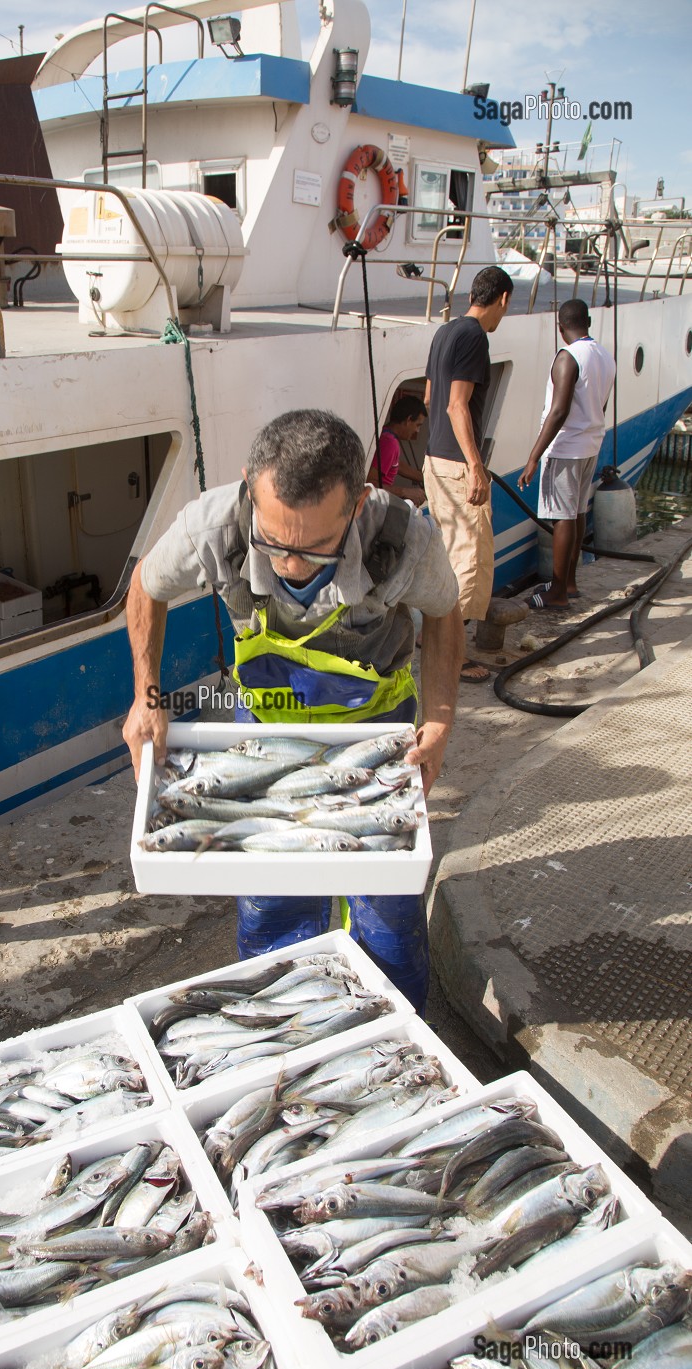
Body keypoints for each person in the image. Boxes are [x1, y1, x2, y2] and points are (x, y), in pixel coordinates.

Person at [122, 409, 463, 1013]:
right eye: (273, 543)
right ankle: (285, 1023)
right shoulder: (215, 526)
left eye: (313, 549)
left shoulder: (403, 539)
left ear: (356, 505)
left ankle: (389, 1027)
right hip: (266, 733)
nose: (290, 565)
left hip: (375, 734)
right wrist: (147, 696)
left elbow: (444, 611)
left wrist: (436, 722)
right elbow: (147, 585)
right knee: (273, 904)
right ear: (251, 485)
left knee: (387, 910)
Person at [423, 265, 514, 682]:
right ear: (502, 300)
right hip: (458, 465)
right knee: (470, 561)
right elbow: (456, 405)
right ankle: (453, 656)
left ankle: (433, 636)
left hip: (434, 460)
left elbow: (429, 397)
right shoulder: (475, 337)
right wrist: (476, 466)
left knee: (445, 555)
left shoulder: (445, 332)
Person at [518, 299, 616, 610]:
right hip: (590, 445)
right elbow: (600, 406)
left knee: (562, 518)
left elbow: (559, 410)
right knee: (576, 514)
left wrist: (534, 456)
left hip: (565, 448)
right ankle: (569, 582)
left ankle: (557, 593)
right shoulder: (604, 356)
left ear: (561, 328)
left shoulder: (568, 357)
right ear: (587, 321)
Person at [366, 396, 428, 507]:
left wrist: (425, 478)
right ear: (409, 420)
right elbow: (370, 484)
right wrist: (405, 492)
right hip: (375, 506)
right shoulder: (389, 443)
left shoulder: (385, 434)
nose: (417, 430)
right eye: (418, 425)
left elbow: (395, 464)